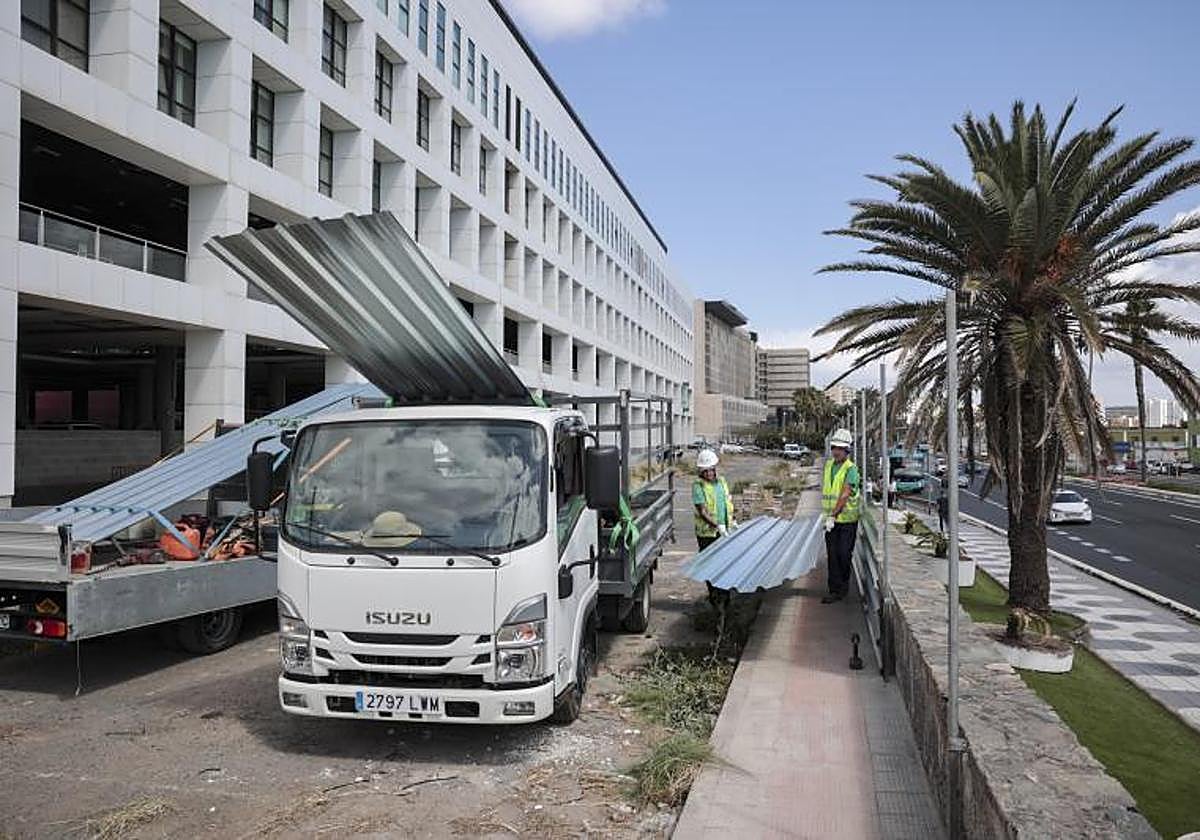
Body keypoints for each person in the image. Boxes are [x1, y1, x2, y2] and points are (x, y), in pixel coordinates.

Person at [821, 428, 860, 604]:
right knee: (832, 555)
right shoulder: (829, 465)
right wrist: (829, 517)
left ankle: (843, 585)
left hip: (846, 521)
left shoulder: (851, 469)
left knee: (844, 554)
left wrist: (833, 515)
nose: (836, 451)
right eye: (834, 447)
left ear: (847, 450)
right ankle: (835, 589)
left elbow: (845, 494)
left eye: (840, 448)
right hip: (830, 521)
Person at [693, 448, 735, 552]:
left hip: (724, 528)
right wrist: (717, 526)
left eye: (710, 470)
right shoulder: (698, 486)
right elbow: (702, 512)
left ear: (715, 469)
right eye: (704, 471)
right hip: (707, 534)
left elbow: (727, 502)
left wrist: (732, 520)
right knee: (708, 561)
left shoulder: (721, 482)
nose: (708, 474)